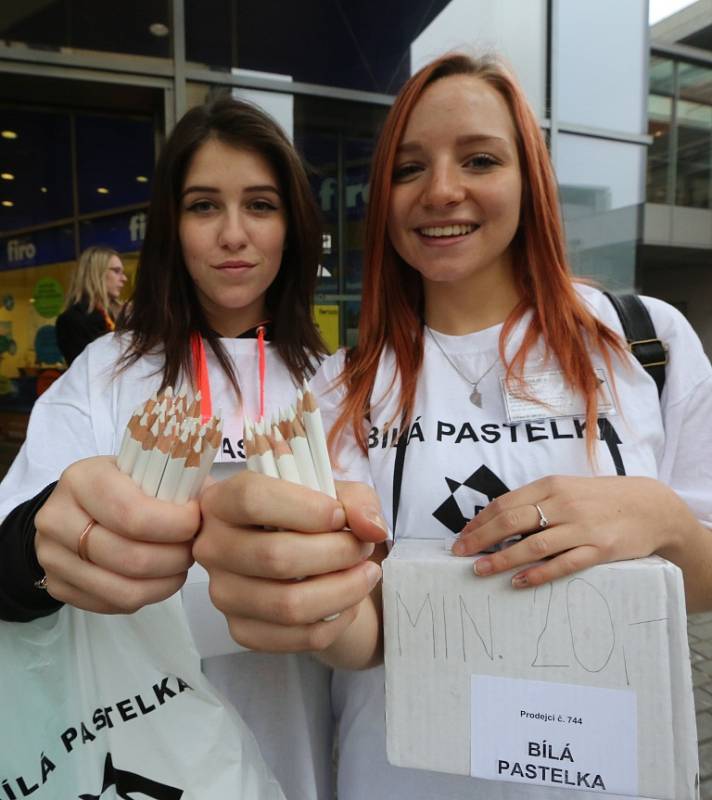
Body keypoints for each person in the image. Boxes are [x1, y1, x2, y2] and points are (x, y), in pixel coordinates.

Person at [194, 53, 712, 800]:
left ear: (529, 178)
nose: (441, 191)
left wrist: (658, 517)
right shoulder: (341, 388)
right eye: (409, 168)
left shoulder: (644, 343)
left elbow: (702, 581)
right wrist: (316, 602)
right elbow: (367, 635)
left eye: (479, 159)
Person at [0, 96, 385, 800]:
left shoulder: (335, 385)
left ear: (294, 225)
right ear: (171, 227)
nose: (233, 234)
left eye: (261, 205)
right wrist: (39, 549)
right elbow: (13, 548)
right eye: (205, 206)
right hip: (126, 756)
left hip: (294, 750)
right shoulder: (109, 370)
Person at [55, 245, 127, 364]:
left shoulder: (115, 315)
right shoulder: (72, 320)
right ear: (96, 273)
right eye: (116, 271)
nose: (124, 278)